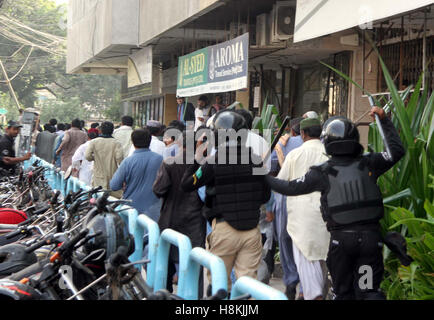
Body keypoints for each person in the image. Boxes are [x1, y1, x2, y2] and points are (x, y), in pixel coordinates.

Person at [265, 107, 406, 300]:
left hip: (342, 245)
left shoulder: (323, 172)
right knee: (368, 291)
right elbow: (396, 151)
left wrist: (261, 178)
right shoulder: (370, 163)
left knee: (343, 292)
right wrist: (383, 120)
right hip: (369, 243)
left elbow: (290, 187)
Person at [181, 110, 271, 293]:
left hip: (223, 231)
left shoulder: (213, 162)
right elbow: (265, 196)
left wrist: (197, 157)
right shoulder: (256, 162)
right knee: (248, 287)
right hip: (252, 231)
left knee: (219, 286)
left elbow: (187, 184)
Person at [273, 118, 330, 300]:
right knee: (322, 263)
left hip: (301, 222)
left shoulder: (295, 155)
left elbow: (281, 184)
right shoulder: (331, 155)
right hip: (329, 218)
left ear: (303, 134)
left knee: (308, 265)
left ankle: (310, 294)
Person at [153, 131, 206, 294]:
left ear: (179, 144)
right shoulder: (204, 164)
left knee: (165, 261)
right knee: (194, 263)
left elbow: (159, 189)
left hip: (170, 219)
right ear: (198, 144)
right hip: (195, 221)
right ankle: (193, 300)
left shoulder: (169, 163)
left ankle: (165, 294)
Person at [269, 117, 304, 299]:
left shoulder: (283, 143)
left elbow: (270, 167)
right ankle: (306, 288)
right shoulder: (322, 145)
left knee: (284, 239)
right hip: (310, 195)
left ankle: (291, 281)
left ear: (292, 130)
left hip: (285, 194)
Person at [110, 128, 162, 222]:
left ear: (133, 142)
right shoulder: (160, 159)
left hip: (131, 209)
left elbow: (114, 186)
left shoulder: (128, 162)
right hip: (154, 210)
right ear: (149, 141)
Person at [85, 121, 124, 198]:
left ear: (100, 130)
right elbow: (120, 159)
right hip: (113, 176)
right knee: (113, 201)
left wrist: (95, 158)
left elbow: (87, 156)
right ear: (112, 131)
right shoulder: (116, 143)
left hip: (98, 176)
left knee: (98, 199)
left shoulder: (94, 142)